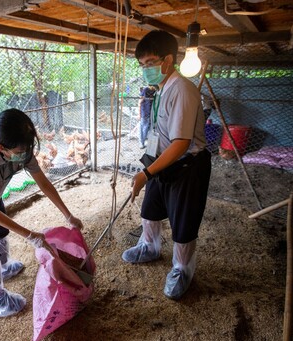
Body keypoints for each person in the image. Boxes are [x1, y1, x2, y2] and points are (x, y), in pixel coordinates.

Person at [0, 108, 83, 317]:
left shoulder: (20, 148)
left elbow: (43, 183)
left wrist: (68, 215)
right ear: (1, 147)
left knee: (2, 233)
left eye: (28, 148)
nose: (25, 154)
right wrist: (31, 236)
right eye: (21, 152)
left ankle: (2, 268)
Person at [123, 30, 211, 300]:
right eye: (142, 65)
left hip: (187, 165)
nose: (145, 69)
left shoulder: (182, 90)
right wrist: (150, 166)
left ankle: (182, 269)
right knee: (151, 209)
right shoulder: (160, 89)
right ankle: (149, 246)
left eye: (149, 63)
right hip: (164, 161)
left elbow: (181, 143)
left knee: (183, 222)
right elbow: (159, 135)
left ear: (168, 59)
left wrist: (146, 172)